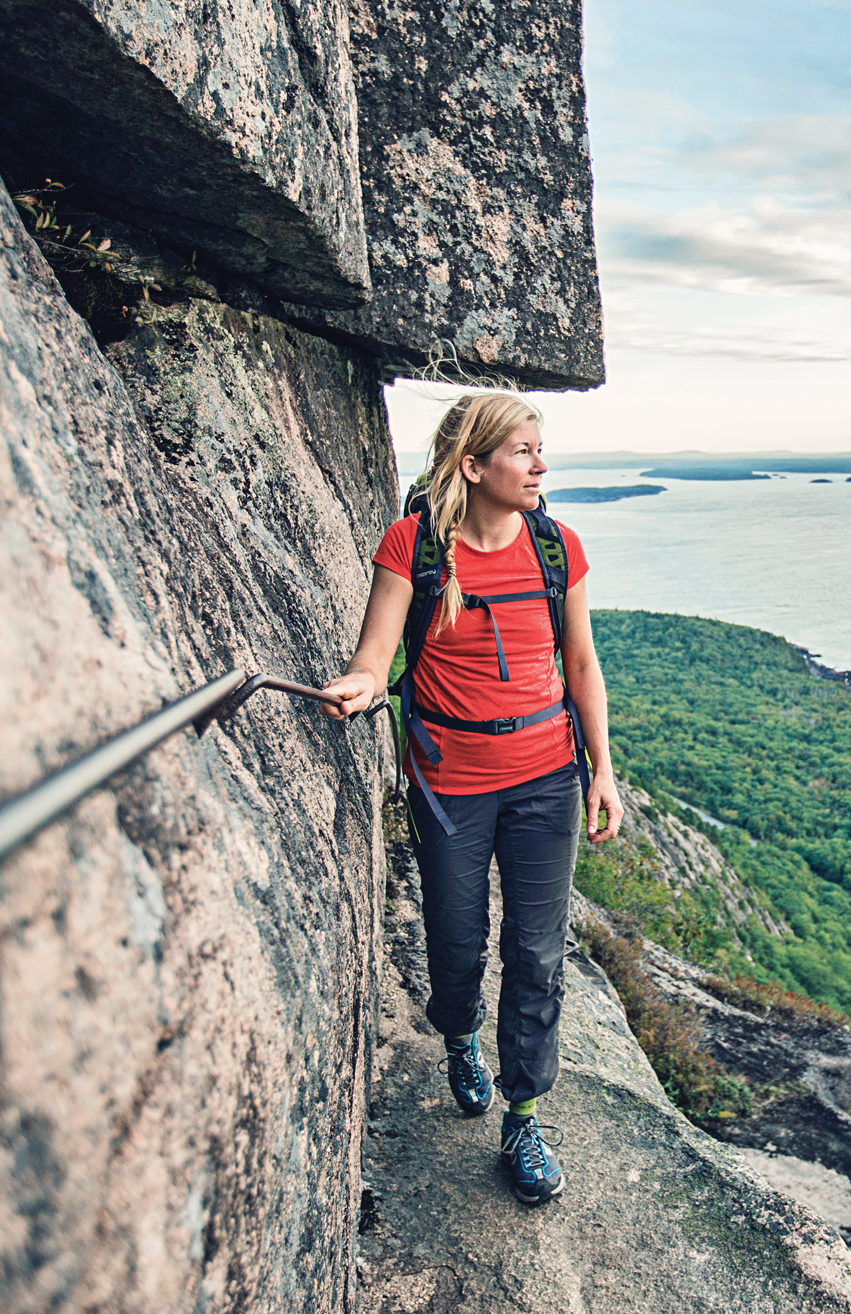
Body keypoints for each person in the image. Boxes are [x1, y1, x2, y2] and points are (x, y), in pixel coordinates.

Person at [319, 393, 623, 1205]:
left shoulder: (557, 548)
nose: (540, 465)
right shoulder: (413, 546)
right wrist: (357, 685)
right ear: (474, 465)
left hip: (545, 778)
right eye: (524, 450)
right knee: (456, 943)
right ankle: (459, 1036)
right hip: (450, 781)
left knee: (537, 953)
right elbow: (376, 654)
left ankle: (523, 1118)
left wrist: (602, 768)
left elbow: (582, 665)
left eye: (539, 449)